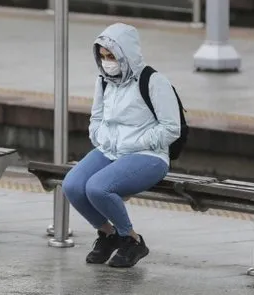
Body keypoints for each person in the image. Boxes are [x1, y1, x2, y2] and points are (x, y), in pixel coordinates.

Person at [62, 23, 180, 268]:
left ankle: (132, 239)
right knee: (72, 185)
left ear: (126, 54)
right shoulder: (104, 81)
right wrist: (101, 138)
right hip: (111, 150)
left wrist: (135, 143)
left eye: (112, 56)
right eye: (103, 56)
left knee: (97, 187)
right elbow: (96, 118)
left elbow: (171, 128)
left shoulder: (154, 81)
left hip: (149, 155)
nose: (107, 62)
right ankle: (108, 234)